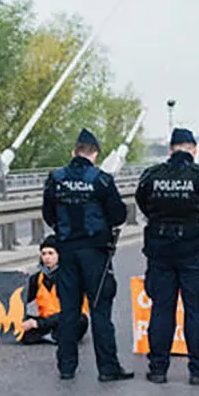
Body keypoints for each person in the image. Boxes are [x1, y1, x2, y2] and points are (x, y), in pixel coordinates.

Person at [135, 127, 199, 385]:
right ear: (193, 149)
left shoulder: (151, 176)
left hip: (160, 253)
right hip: (194, 253)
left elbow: (143, 204)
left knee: (161, 309)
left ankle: (158, 369)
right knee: (196, 310)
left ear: (171, 150)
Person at [42, 128, 133, 381]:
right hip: (95, 253)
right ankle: (108, 368)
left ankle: (66, 367)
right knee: (100, 310)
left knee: (69, 310)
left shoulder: (56, 178)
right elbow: (118, 215)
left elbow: (48, 214)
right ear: (94, 154)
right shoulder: (101, 179)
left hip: (67, 252)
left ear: (74, 152)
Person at [19, 234, 89, 345]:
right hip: (45, 320)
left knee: (79, 320)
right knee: (21, 322)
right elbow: (20, 299)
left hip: (69, 318)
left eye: (51, 253)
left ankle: (47, 335)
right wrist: (20, 281)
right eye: (44, 254)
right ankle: (51, 335)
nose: (47, 257)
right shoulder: (38, 278)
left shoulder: (71, 277)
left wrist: (38, 324)